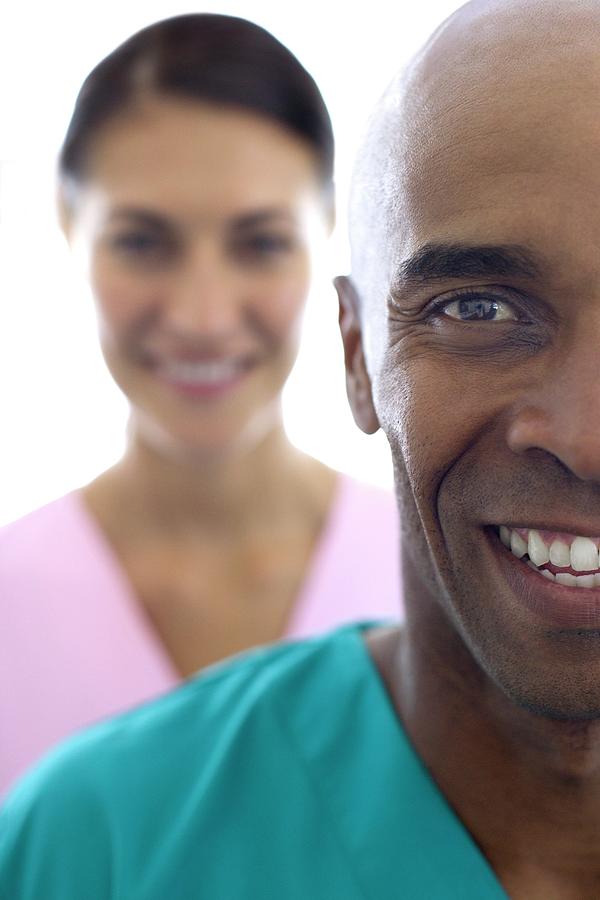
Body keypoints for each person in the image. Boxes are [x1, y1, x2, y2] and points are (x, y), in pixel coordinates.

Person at [4, 0, 599, 895]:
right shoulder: (91, 842)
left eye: (258, 240)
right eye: (479, 307)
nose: (586, 440)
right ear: (356, 353)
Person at [0, 14, 400, 796]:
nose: (203, 315)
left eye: (259, 243)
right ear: (67, 224)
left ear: (327, 230)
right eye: (143, 242)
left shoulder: (444, 575)